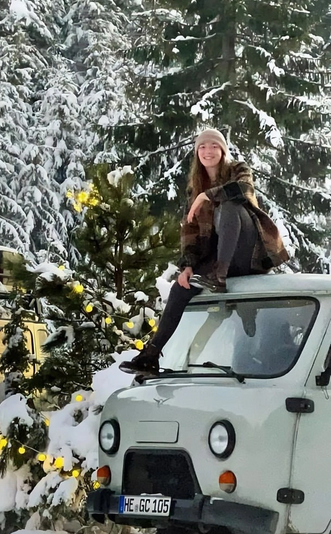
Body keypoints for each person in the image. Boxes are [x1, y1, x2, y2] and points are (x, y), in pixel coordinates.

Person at [120, 128, 289, 375]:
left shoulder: (238, 169)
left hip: (247, 253)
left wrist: (206, 196)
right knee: (180, 288)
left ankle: (219, 275)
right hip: (216, 258)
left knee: (228, 206)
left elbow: (243, 189)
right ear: (197, 152)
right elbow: (190, 231)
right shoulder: (195, 188)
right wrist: (188, 265)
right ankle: (150, 355)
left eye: (214, 146)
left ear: (223, 150)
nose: (208, 151)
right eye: (202, 147)